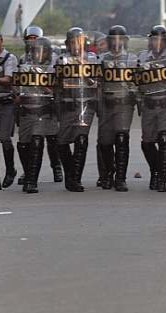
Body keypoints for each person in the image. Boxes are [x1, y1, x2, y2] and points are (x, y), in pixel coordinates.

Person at [17, 25, 63, 186]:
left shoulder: (55, 58)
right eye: (29, 39)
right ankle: (28, 171)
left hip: (48, 102)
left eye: (35, 39)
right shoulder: (24, 58)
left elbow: (59, 82)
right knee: (26, 142)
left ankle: (56, 167)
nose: (32, 42)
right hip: (29, 101)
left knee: (51, 138)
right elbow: (19, 81)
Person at [55, 27, 99, 192]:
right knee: (62, 142)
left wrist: (83, 69)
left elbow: (96, 83)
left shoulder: (92, 59)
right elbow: (56, 84)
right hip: (67, 104)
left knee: (81, 139)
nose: (76, 46)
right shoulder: (61, 60)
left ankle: (76, 179)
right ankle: (70, 173)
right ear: (67, 44)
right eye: (73, 42)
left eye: (79, 42)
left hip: (86, 104)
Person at [137, 25, 166, 192]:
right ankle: (155, 170)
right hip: (149, 104)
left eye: (161, 39)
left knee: (164, 137)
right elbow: (135, 80)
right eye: (154, 39)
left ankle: (163, 178)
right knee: (147, 143)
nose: (157, 43)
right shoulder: (142, 58)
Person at [97, 25, 138, 192]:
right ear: (108, 41)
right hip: (106, 102)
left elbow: (136, 81)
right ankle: (109, 172)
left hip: (124, 104)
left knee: (122, 137)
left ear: (125, 41)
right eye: (113, 39)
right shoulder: (101, 59)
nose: (116, 43)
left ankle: (121, 178)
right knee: (105, 142)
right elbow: (97, 83)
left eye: (119, 39)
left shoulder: (132, 59)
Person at [0, 30, 18, 191]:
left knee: (4, 138)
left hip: (6, 103)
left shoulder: (10, 58)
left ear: (1, 41)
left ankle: (10, 169)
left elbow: (8, 80)